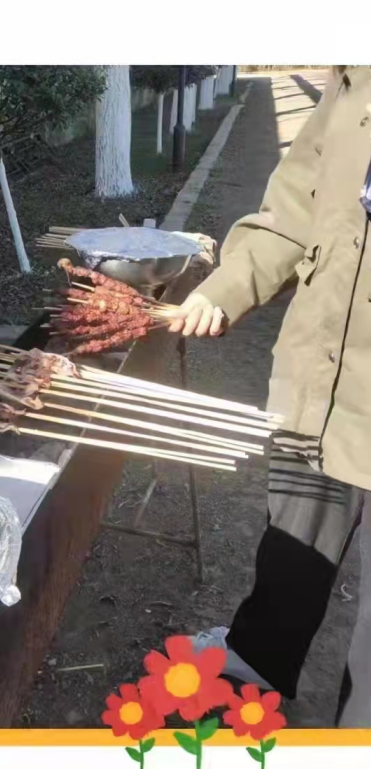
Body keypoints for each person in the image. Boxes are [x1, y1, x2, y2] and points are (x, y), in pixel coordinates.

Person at [168, 66, 371, 726]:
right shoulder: (355, 75)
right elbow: (294, 205)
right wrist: (223, 290)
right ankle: (253, 671)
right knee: (289, 550)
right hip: (316, 378)